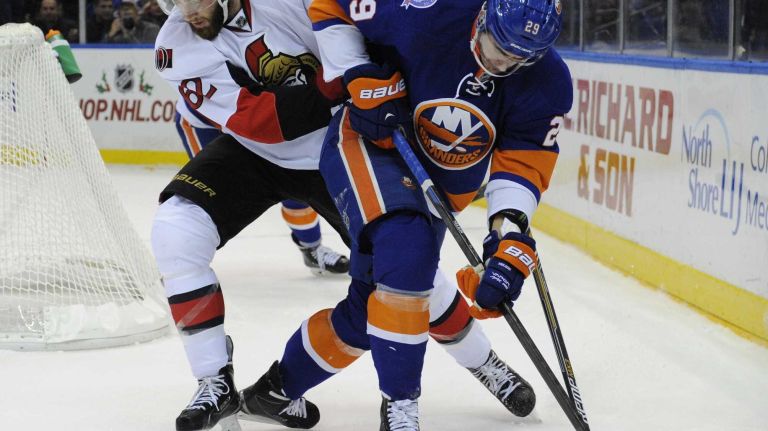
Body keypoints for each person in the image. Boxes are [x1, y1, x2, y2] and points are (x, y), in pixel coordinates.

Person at [152, 1, 532, 430]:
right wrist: (343, 82)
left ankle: (483, 362)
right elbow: (258, 120)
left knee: (408, 270)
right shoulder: (175, 45)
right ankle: (213, 380)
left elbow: (358, 37)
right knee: (175, 232)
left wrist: (369, 77)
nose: (185, 11)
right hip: (255, 151)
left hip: (341, 142)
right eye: (172, 0)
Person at [244, 0, 574, 429]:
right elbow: (328, 5)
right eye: (497, 44)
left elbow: (522, 165)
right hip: (371, 141)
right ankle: (400, 409)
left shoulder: (548, 82)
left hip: (435, 186)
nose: (500, 60)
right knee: (409, 254)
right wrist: (355, 72)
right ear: (484, 15)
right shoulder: (427, 7)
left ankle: (275, 390)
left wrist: (507, 234)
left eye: (517, 57)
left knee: (368, 314)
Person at [172, 100, 350, 275]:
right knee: (205, 194)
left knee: (295, 183)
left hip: (256, 120)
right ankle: (181, 266)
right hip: (205, 123)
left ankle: (312, 248)